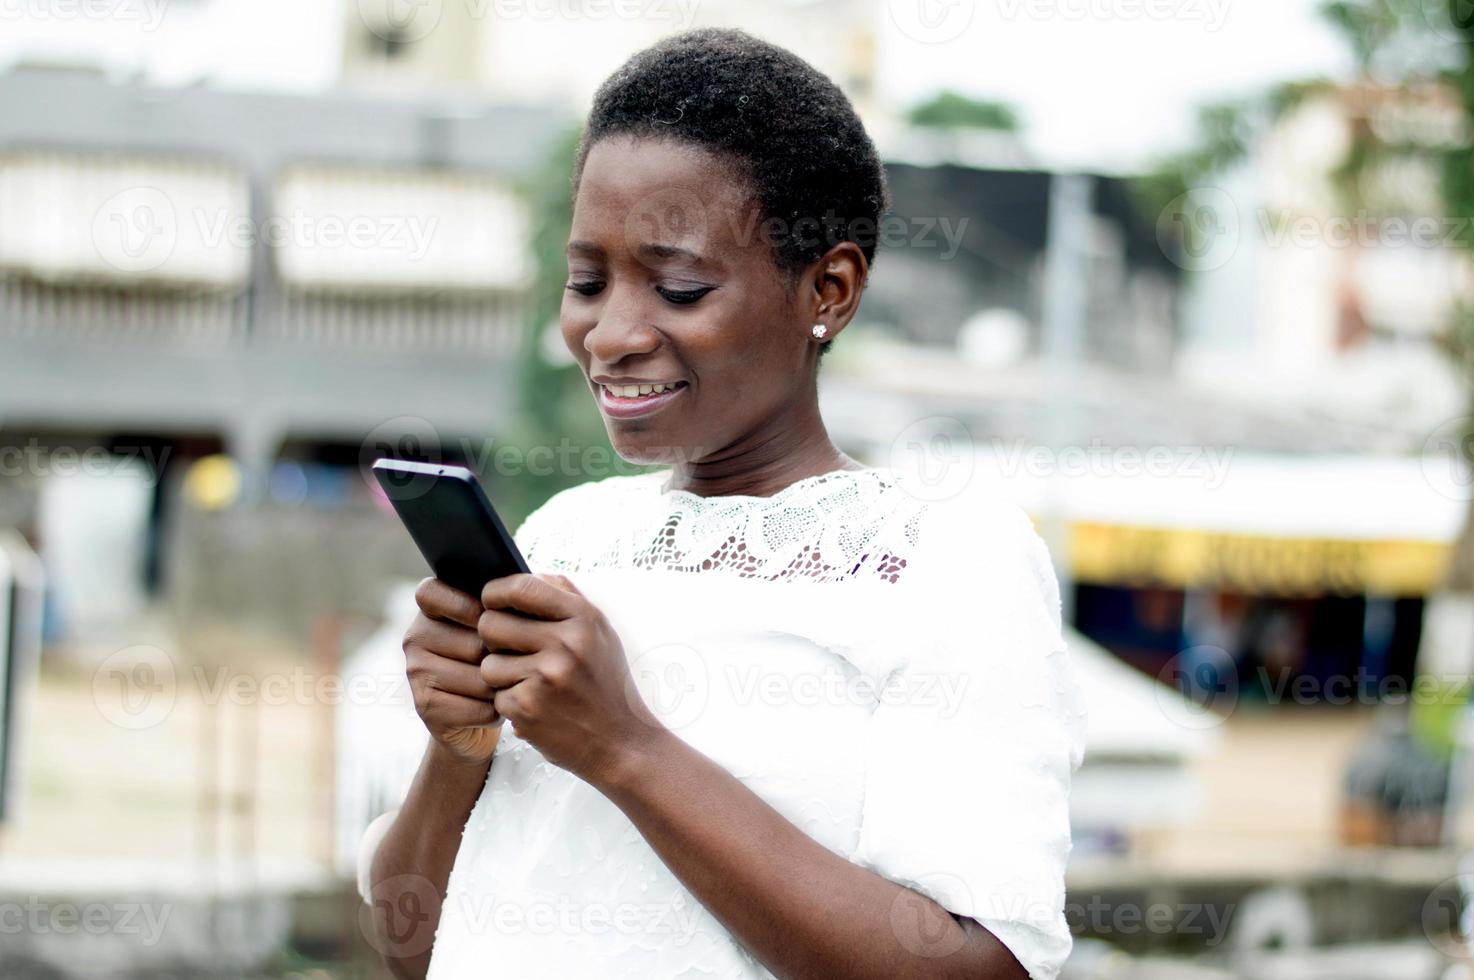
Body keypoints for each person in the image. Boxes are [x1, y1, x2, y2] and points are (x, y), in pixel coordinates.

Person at [363, 28, 1085, 980]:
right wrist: (458, 749)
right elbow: (411, 951)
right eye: (586, 281)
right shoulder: (564, 538)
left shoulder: (944, 559)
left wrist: (625, 748)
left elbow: (976, 968)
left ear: (828, 289)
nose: (611, 333)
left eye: (679, 286)